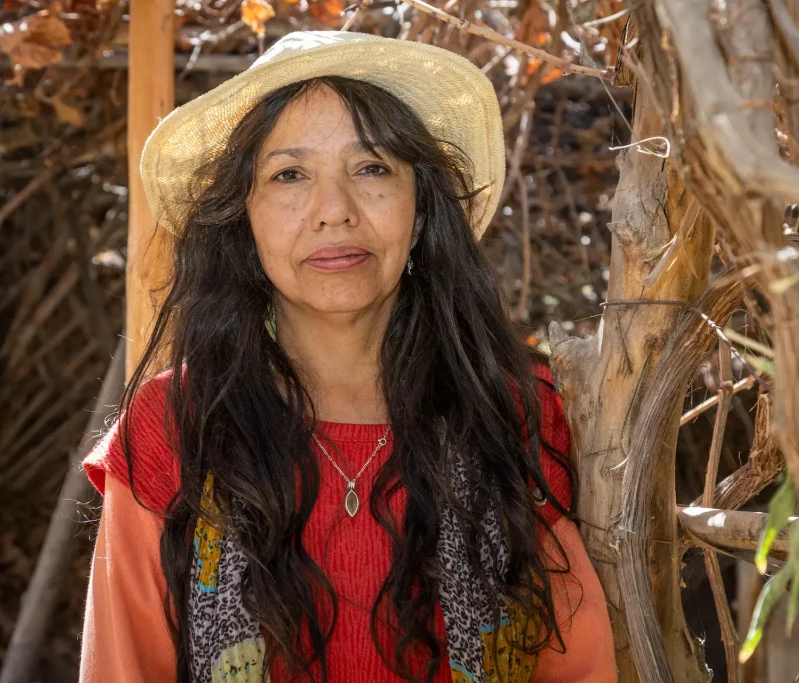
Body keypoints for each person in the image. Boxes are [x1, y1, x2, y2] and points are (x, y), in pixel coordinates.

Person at [79, 30, 616, 683]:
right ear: (243, 220)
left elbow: (579, 668)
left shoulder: (507, 409)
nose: (334, 211)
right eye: (289, 174)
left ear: (420, 211)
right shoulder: (175, 426)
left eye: (372, 168)